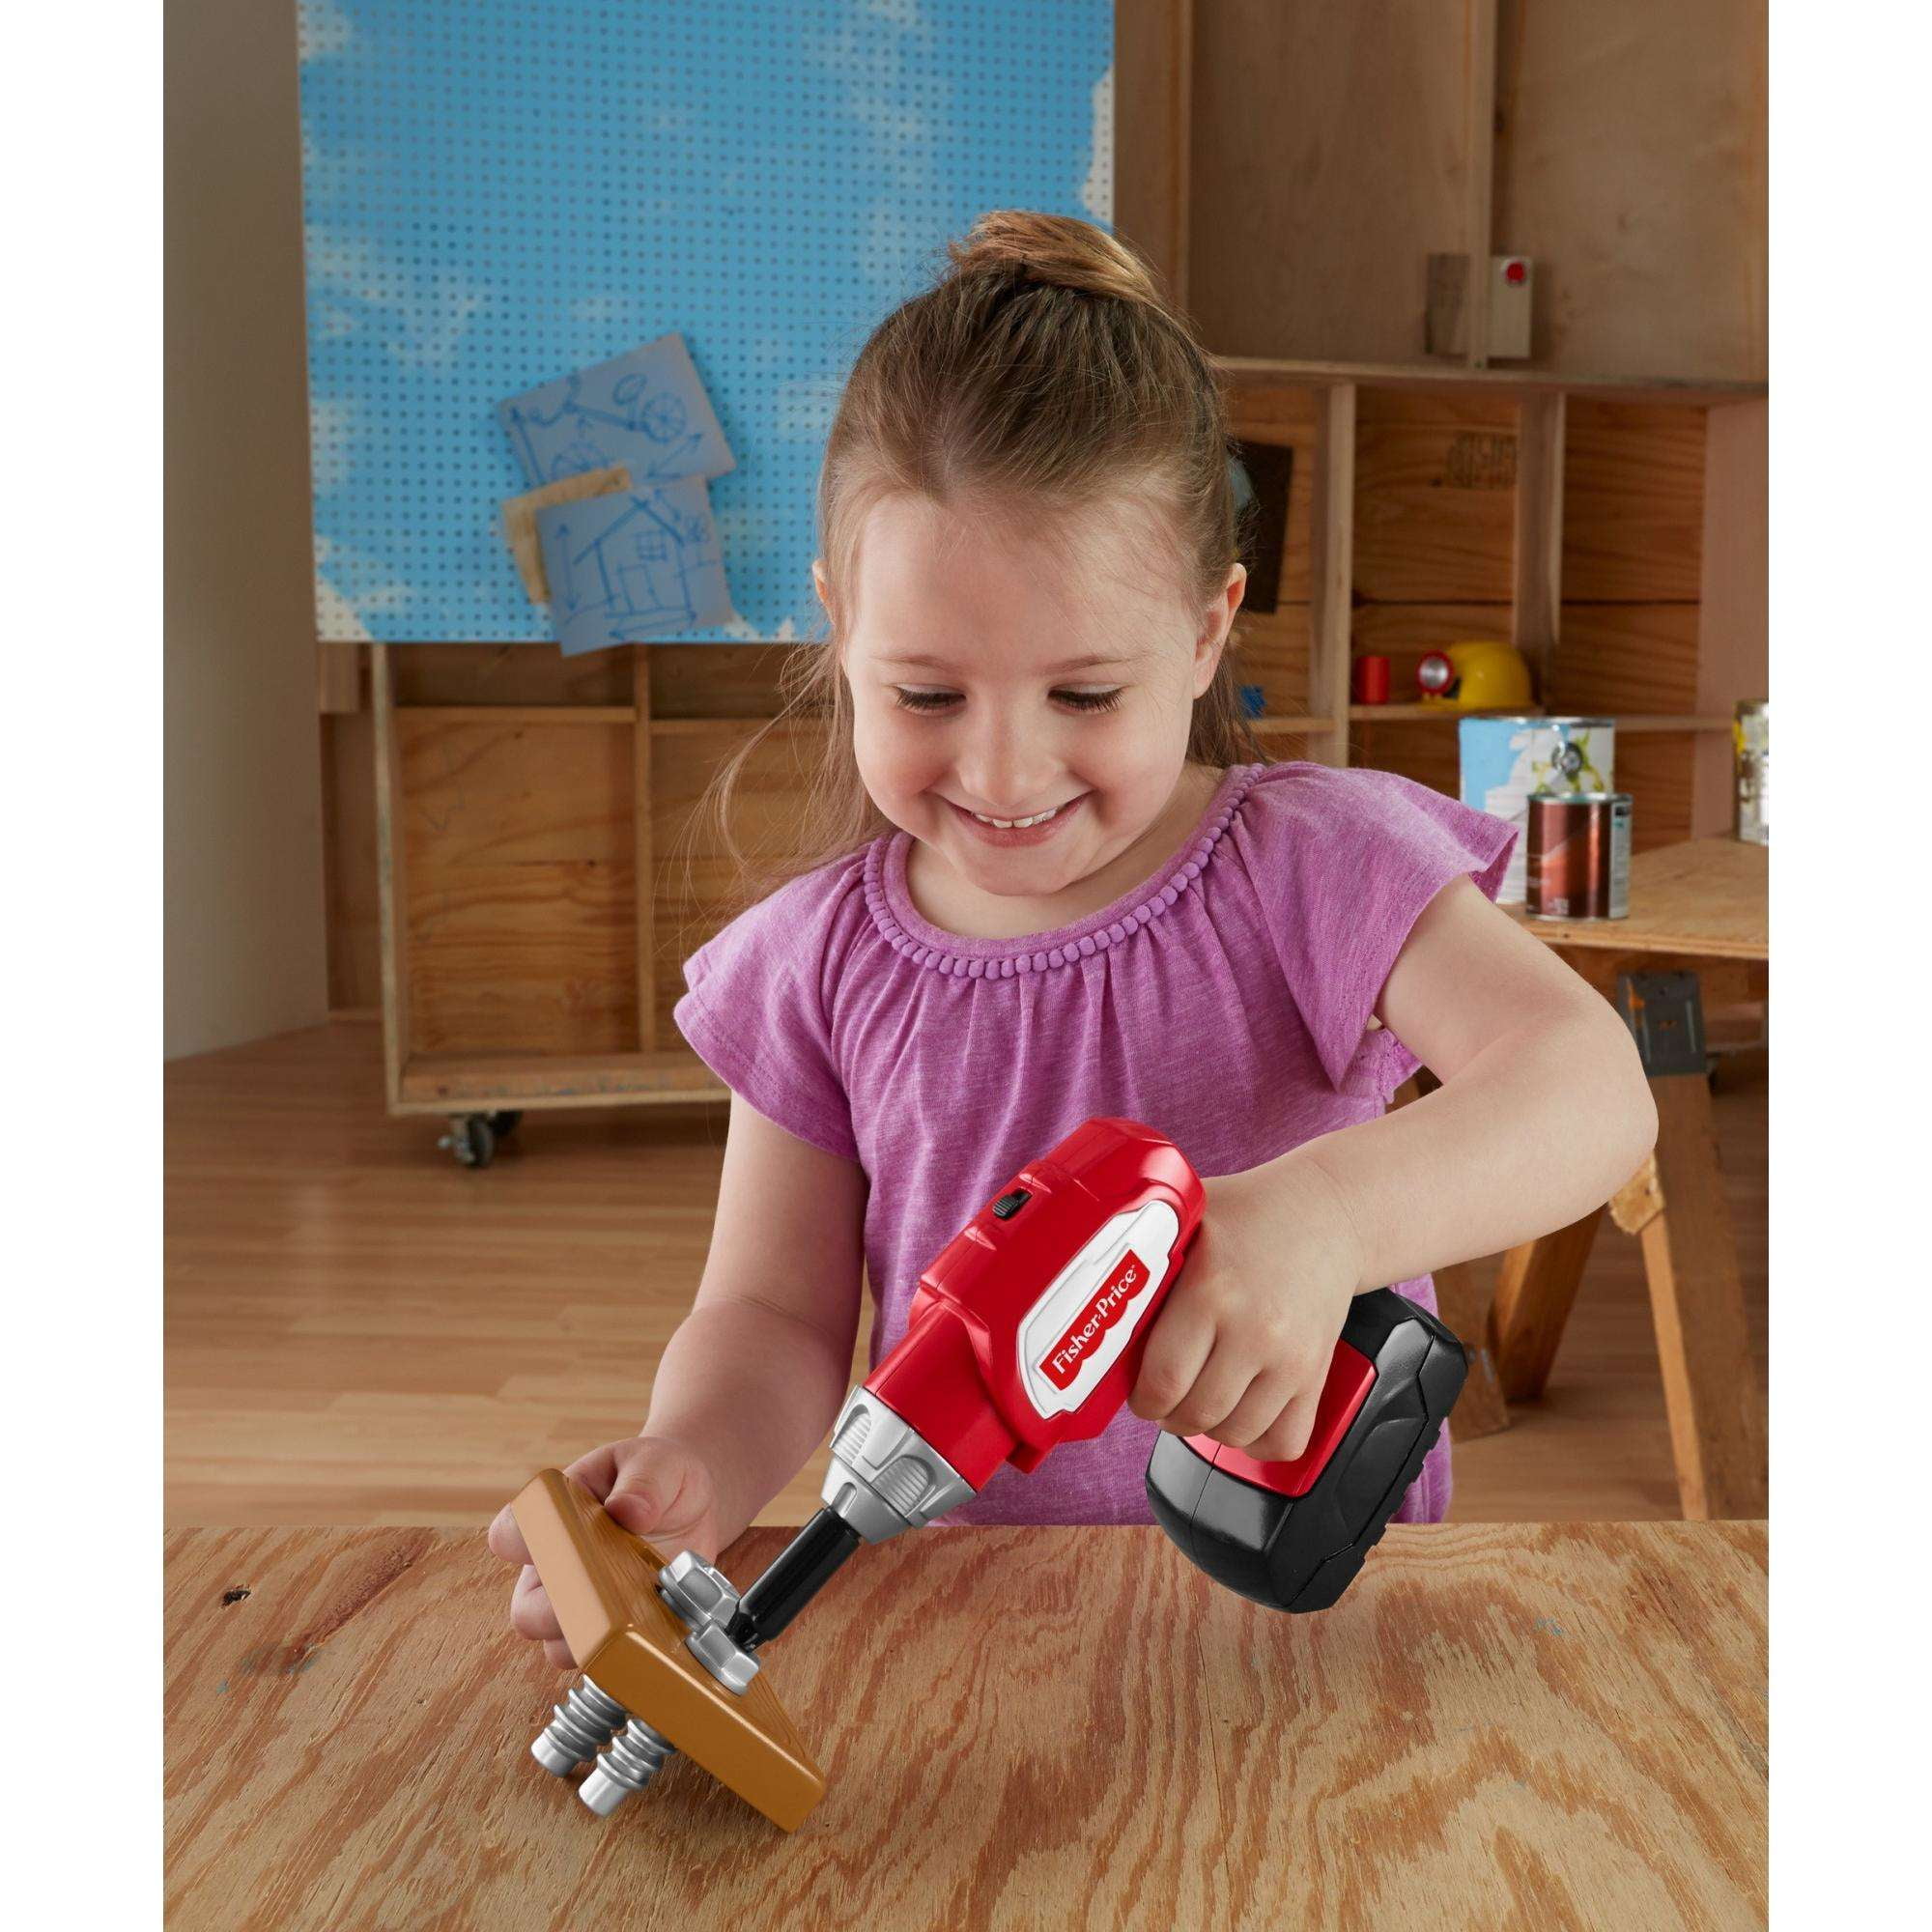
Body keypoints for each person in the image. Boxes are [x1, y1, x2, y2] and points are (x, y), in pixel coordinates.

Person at [491, 211, 1657, 1666]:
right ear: (840, 628)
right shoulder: (814, 963)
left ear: (1208, 631)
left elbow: (1590, 1088)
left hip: (1316, 1622)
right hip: (979, 1622)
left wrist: (1325, 1220)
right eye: (925, 695)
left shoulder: (1315, 864)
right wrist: (693, 1469)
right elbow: (773, 1315)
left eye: (1085, 695)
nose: (1002, 770)